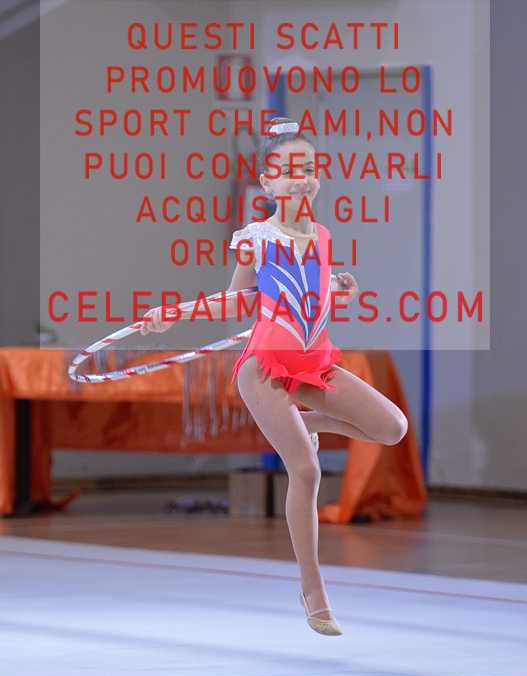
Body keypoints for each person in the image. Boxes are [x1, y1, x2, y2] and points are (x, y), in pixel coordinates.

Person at [141, 116, 408, 637]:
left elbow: (308, 295)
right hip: (264, 366)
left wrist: (338, 289)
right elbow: (237, 301)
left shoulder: (323, 235)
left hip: (316, 362)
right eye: (287, 171)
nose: (300, 179)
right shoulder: (255, 237)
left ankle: (306, 422)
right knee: (306, 472)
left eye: (308, 169)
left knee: (392, 427)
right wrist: (176, 312)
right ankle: (312, 588)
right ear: (267, 182)